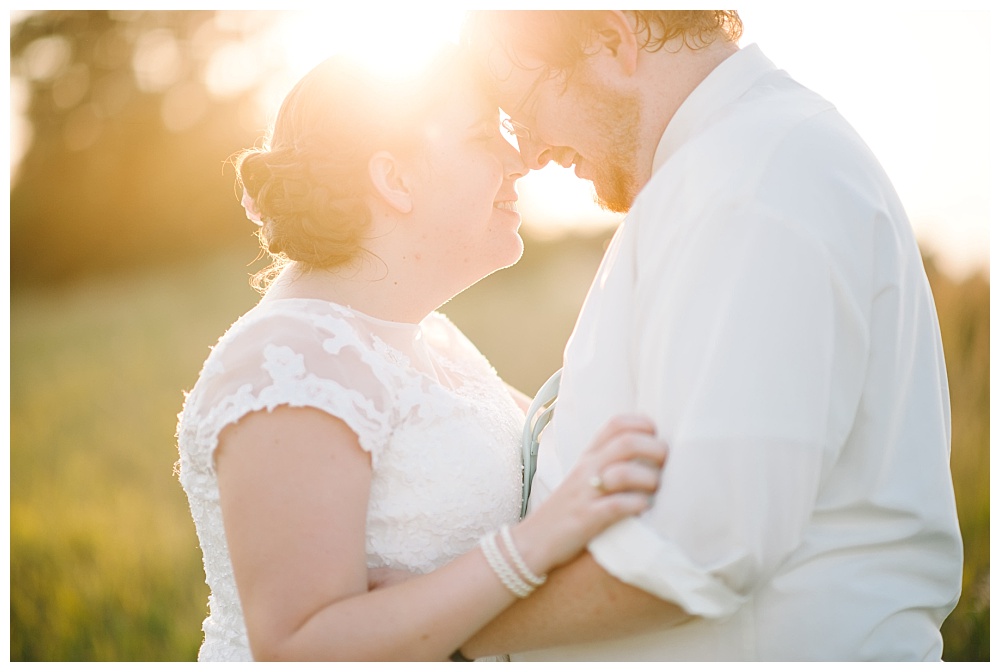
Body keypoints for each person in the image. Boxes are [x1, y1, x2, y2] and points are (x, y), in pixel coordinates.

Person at [453, 9, 964, 661]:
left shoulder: (750, 182)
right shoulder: (730, 165)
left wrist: (442, 637)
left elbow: (700, 552)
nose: (527, 153)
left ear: (613, 40)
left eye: (523, 108)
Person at [174, 48, 668, 662]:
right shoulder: (287, 362)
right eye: (485, 135)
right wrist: (531, 546)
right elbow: (301, 646)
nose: (519, 162)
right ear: (396, 180)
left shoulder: (430, 337)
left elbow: (571, 443)